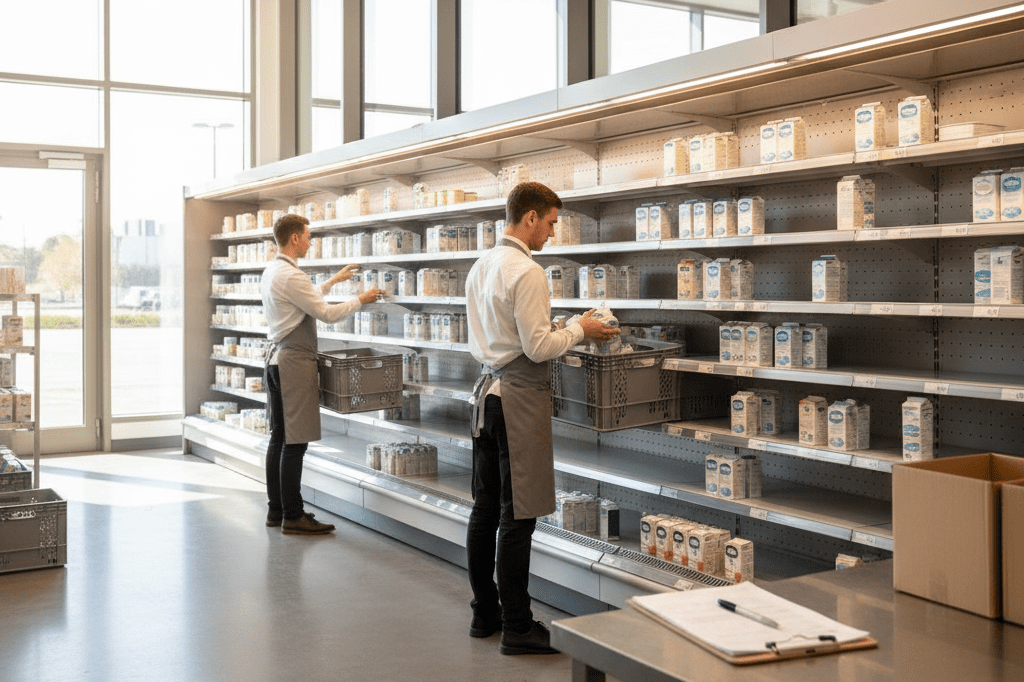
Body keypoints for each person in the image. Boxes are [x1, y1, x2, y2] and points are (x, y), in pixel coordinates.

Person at [465, 182, 620, 655]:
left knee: (485, 508)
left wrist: (559, 328)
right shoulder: (527, 271)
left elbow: (511, 334)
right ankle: (518, 625)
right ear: (530, 218)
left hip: (488, 396)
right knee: (520, 514)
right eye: (551, 223)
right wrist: (580, 328)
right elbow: (536, 348)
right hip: (518, 400)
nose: (553, 233)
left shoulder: (482, 265)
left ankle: (485, 613)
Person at [261, 213, 385, 535]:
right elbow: (326, 314)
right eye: (307, 236)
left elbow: (303, 299)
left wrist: (333, 281)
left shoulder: (274, 270)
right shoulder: (292, 276)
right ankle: (294, 514)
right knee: (295, 442)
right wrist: (360, 299)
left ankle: (276, 510)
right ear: (294, 240)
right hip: (294, 364)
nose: (310, 241)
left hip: (276, 361)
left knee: (279, 437)